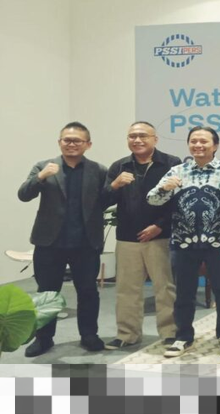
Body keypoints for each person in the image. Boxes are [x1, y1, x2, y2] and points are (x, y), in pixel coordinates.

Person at [147, 125, 220, 358]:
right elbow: (152, 200)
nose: (198, 145)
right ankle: (183, 337)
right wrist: (164, 188)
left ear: (215, 145)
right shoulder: (177, 171)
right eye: (193, 141)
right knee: (184, 293)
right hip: (183, 244)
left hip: (219, 242)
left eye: (204, 141)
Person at [18, 121, 108, 356]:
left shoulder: (98, 170)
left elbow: (105, 201)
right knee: (47, 293)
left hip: (86, 243)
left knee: (88, 292)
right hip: (49, 243)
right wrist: (40, 177)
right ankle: (44, 339)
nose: (71, 144)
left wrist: (116, 187)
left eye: (77, 140)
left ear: (88, 144)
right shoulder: (43, 166)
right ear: (59, 142)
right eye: (67, 140)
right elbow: (23, 195)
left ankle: (89, 335)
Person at [103, 121, 181, 350]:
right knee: (127, 290)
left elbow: (178, 200)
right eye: (132, 136)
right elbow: (102, 201)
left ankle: (170, 333)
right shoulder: (119, 166)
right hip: (127, 238)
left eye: (142, 135)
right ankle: (127, 334)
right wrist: (115, 185)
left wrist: (160, 225)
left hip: (160, 236)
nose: (137, 140)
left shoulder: (171, 163)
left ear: (155, 139)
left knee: (165, 288)